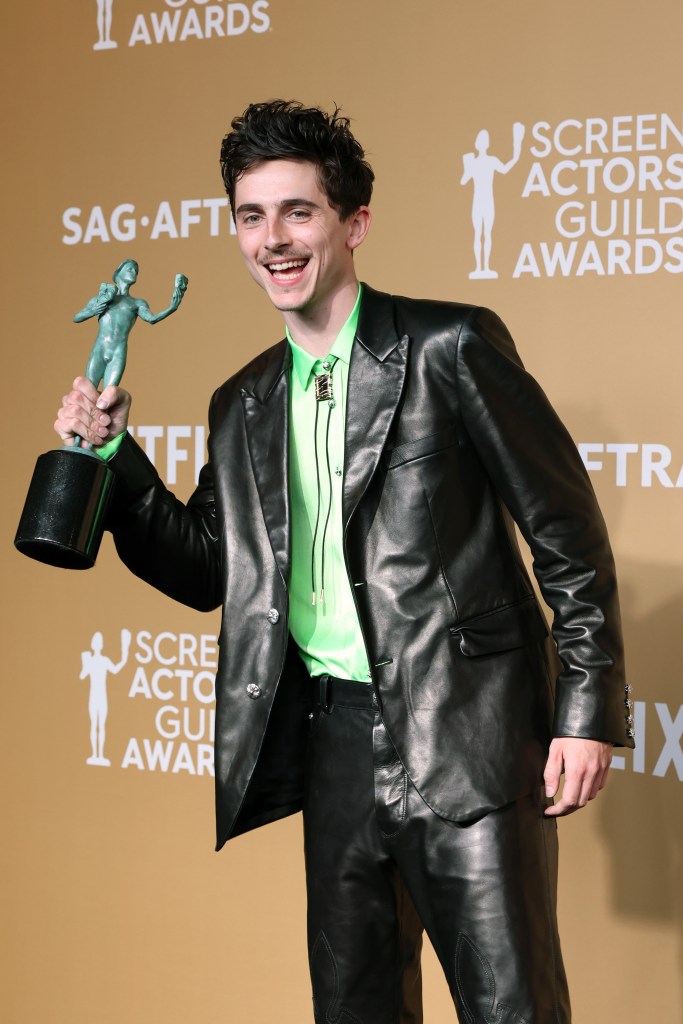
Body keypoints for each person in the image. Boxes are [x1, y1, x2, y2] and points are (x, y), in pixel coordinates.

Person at [55, 100, 634, 1024]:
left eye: (298, 212)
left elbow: (566, 533)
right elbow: (207, 570)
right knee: (353, 1008)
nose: (272, 240)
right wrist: (118, 461)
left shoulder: (449, 347)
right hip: (332, 745)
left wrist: (584, 712)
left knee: (512, 1009)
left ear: (353, 223)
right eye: (251, 216)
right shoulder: (241, 400)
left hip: (470, 735)